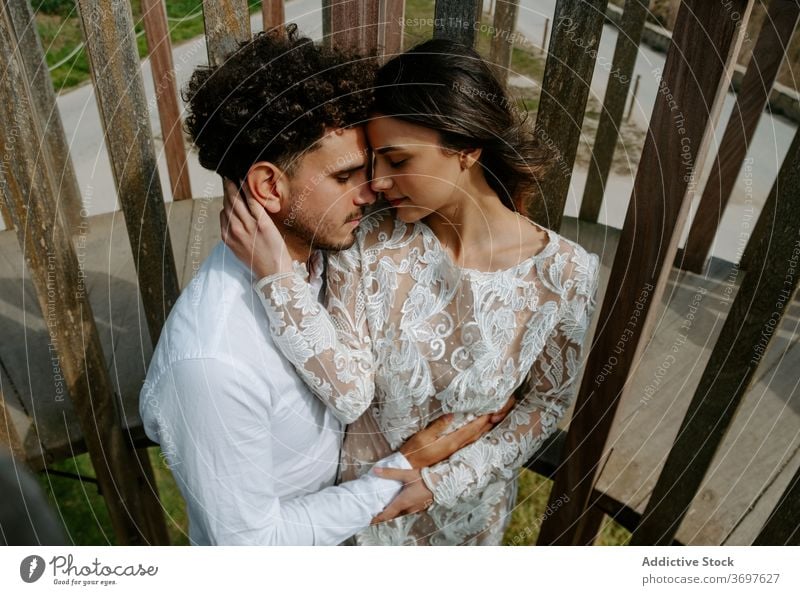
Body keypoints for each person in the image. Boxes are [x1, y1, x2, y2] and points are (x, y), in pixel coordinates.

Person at [139, 26, 511, 546]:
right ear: (269, 186)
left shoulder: (331, 260)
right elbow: (251, 547)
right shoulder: (212, 362)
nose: (373, 191)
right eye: (345, 178)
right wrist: (397, 475)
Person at [221, 37, 602, 545]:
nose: (376, 182)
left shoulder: (567, 274)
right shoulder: (371, 239)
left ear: (466, 148)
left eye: (397, 161)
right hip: (361, 507)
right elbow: (349, 391)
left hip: (468, 515)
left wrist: (440, 483)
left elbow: (545, 405)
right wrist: (277, 279)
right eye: (374, 160)